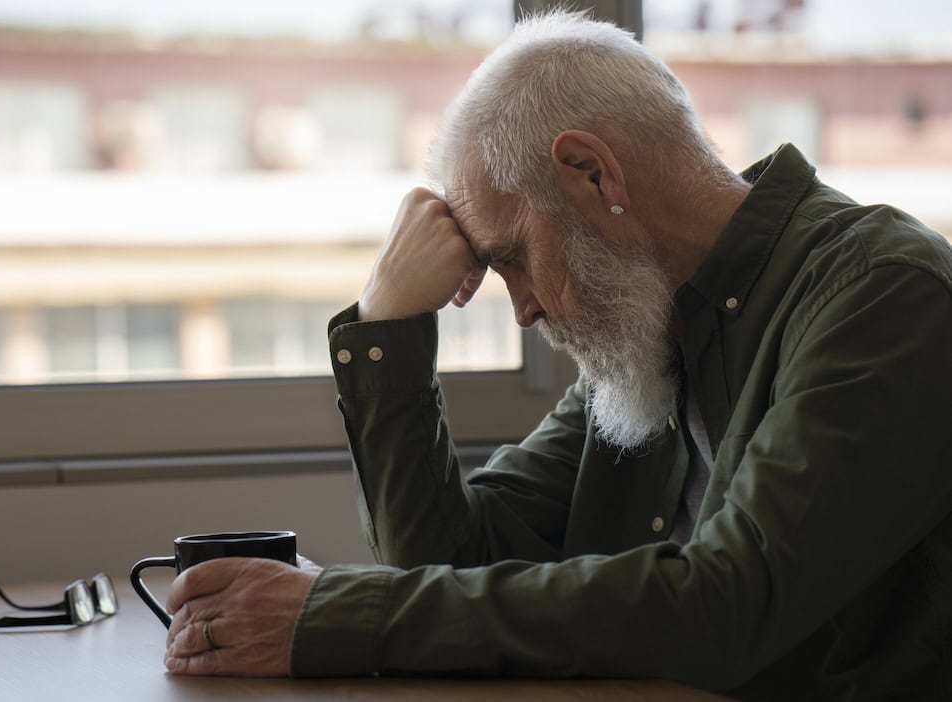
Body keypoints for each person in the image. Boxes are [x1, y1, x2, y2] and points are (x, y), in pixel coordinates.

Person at [162, 11, 952, 699]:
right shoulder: (649, 339)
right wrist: (387, 325)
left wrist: (331, 615)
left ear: (591, 172)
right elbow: (442, 562)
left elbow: (729, 604)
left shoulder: (885, 293)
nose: (525, 308)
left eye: (511, 257)